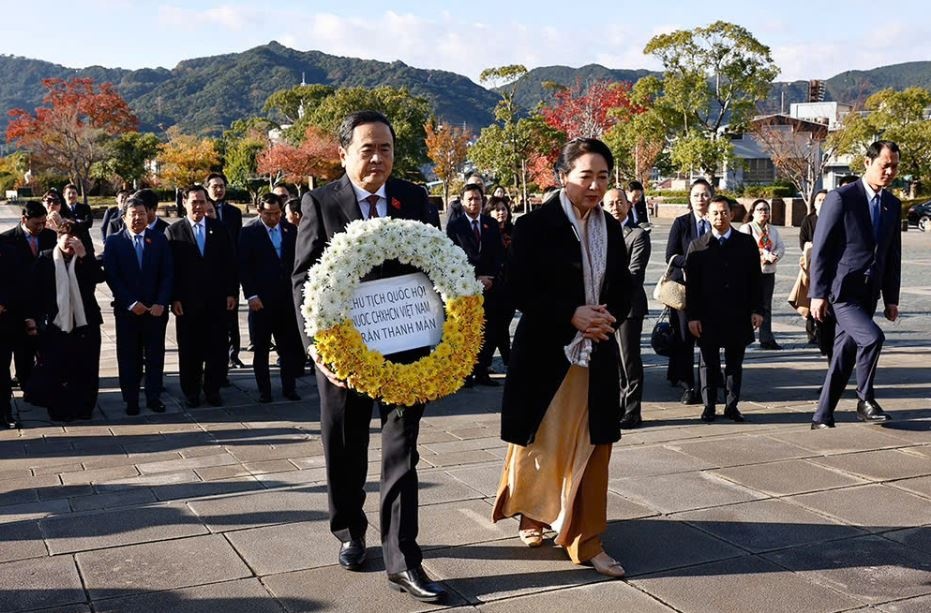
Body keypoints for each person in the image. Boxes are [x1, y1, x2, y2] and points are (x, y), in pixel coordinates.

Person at [290, 110, 445, 603]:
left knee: (402, 451)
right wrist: (318, 350)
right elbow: (302, 281)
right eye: (367, 149)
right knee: (345, 445)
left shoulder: (414, 199)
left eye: (386, 149)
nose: (378, 158)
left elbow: (437, 264)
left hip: (407, 346)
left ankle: (402, 557)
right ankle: (349, 527)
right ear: (344, 154)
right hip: (345, 352)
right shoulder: (320, 202)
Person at [492, 137, 631, 579]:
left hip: (597, 352)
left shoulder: (609, 227)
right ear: (563, 176)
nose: (595, 185)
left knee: (594, 446)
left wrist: (606, 317)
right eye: (585, 176)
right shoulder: (535, 226)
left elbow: (624, 283)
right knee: (541, 444)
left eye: (603, 177)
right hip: (547, 356)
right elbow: (518, 289)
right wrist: (570, 314)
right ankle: (533, 513)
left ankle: (586, 539)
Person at [809, 141, 902, 429]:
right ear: (867, 163)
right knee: (873, 338)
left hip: (869, 292)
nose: (889, 171)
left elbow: (892, 254)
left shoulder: (892, 204)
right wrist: (817, 294)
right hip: (842, 292)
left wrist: (891, 298)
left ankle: (821, 416)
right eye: (884, 164)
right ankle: (865, 400)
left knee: (843, 355)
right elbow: (821, 249)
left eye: (894, 166)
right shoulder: (842, 198)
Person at [686, 196, 764, 422]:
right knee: (708, 363)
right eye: (715, 213)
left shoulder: (745, 243)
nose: (720, 217)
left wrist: (757, 310)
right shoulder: (698, 245)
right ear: (708, 216)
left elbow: (755, 280)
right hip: (707, 315)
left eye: (724, 212)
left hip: (737, 313)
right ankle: (709, 405)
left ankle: (732, 405)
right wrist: (693, 316)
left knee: (734, 363)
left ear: (731, 214)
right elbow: (692, 287)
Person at [24, 221, 104, 421]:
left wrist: (84, 255)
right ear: (58, 239)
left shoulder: (84, 258)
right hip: (56, 323)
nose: (70, 245)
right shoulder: (45, 259)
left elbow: (98, 277)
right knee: (58, 368)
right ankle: (59, 408)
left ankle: (85, 407)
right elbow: (33, 292)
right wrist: (31, 319)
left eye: (74, 240)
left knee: (86, 367)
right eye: (66, 240)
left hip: (85, 321)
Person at [166, 185, 238, 408]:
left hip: (216, 300)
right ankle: (191, 392)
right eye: (194, 202)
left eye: (202, 201)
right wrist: (174, 298)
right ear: (185, 203)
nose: (198, 206)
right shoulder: (174, 231)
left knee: (217, 348)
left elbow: (230, 263)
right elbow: (170, 269)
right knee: (189, 350)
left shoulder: (220, 228)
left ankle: (213, 389)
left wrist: (231, 292)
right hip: (187, 303)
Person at [104, 196, 173, 416]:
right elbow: (112, 277)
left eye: (142, 214)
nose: (138, 218)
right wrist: (131, 303)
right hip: (128, 312)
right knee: (128, 357)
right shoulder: (114, 241)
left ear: (149, 215)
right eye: (133, 214)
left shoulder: (159, 239)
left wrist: (161, 302)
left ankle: (154, 397)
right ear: (124, 218)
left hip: (155, 311)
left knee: (155, 356)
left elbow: (168, 274)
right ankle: (131, 399)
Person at [239, 193, 302, 403]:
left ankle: (289, 387)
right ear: (259, 212)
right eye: (268, 214)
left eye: (277, 213)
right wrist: (251, 295)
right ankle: (264, 391)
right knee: (261, 348)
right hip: (261, 301)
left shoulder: (290, 230)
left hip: (285, 300)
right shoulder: (249, 232)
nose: (273, 218)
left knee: (288, 347)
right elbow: (244, 267)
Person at [446, 183, 504, 386]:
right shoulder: (455, 226)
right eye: (469, 199)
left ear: (483, 200)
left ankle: (482, 371)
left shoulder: (491, 224)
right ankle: (465, 373)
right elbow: (453, 257)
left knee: (488, 331)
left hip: (490, 286)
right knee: (467, 330)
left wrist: (491, 278)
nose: (473, 202)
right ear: (462, 202)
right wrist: (474, 279)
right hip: (466, 287)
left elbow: (498, 253)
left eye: (477, 198)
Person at [603, 187, 651, 429]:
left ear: (628, 204)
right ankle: (618, 407)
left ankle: (633, 411)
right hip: (604, 308)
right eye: (610, 203)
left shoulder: (637, 235)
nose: (615, 207)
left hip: (628, 308)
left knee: (629, 360)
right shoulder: (598, 234)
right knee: (613, 361)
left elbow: (635, 273)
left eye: (619, 202)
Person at [664, 178, 713, 404]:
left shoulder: (717, 221)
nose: (701, 199)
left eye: (705, 194)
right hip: (683, 291)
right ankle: (688, 385)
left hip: (710, 291)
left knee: (709, 337)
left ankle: (710, 381)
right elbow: (671, 255)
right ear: (690, 199)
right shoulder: (681, 223)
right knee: (684, 338)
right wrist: (691, 263)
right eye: (696, 195)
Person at [0, 202, 57, 391]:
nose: (40, 227)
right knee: (21, 348)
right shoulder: (6, 240)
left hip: (43, 302)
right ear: (24, 219)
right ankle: (25, 385)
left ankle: (39, 383)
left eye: (43, 223)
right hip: (16, 304)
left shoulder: (50, 236)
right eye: (36, 224)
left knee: (43, 346)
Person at [205, 172, 245, 371]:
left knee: (232, 315)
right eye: (214, 186)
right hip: (208, 273)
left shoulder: (234, 213)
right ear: (207, 188)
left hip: (229, 270)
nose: (218, 190)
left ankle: (233, 354)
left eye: (221, 186)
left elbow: (237, 242)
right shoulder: (202, 209)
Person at [739, 199, 785, 350]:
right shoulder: (747, 228)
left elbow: (780, 247)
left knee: (766, 305)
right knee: (747, 304)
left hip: (768, 272)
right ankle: (744, 335)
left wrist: (774, 256)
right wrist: (763, 256)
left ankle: (766, 338)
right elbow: (744, 248)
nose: (763, 212)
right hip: (750, 273)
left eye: (766, 209)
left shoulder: (772, 230)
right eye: (760, 209)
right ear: (752, 212)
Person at [799, 189, 831, 351]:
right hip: (812, 263)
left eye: (826, 199)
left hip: (829, 264)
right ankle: (811, 333)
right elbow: (802, 240)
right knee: (811, 297)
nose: (822, 202)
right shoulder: (809, 219)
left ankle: (824, 333)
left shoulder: (834, 217)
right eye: (819, 199)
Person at [487, 196, 515, 366]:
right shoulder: (487, 230)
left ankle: (484, 364)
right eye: (497, 209)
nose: (501, 212)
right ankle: (508, 361)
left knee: (502, 325)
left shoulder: (514, 230)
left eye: (503, 209)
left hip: (510, 285)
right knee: (496, 327)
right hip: (492, 285)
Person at [0, 240, 18, 428]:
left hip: (3, 319)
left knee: (2, 369)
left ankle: (5, 412)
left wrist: (3, 303)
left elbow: (15, 283)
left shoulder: (8, 251)